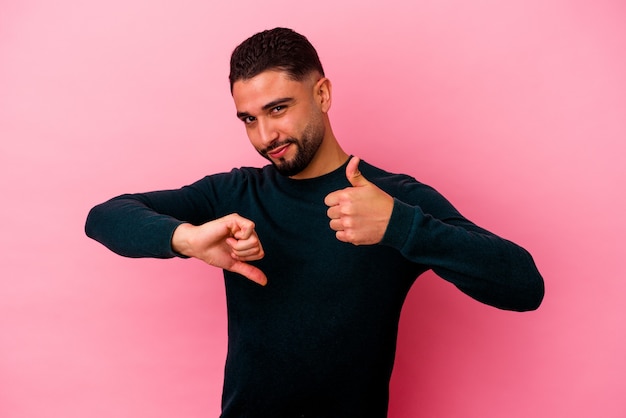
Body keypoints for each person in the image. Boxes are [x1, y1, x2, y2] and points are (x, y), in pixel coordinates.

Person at [85, 27, 544, 418]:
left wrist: (401, 227)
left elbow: (524, 285)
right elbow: (104, 215)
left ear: (322, 94)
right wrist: (187, 238)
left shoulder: (391, 200)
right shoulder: (234, 193)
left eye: (278, 109)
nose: (266, 137)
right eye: (249, 119)